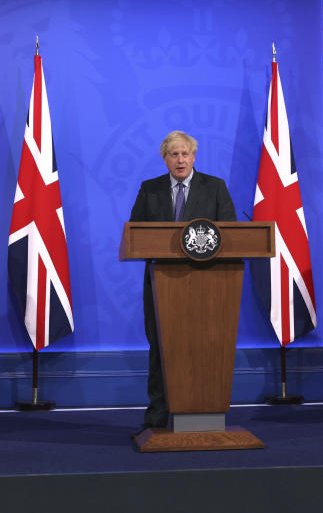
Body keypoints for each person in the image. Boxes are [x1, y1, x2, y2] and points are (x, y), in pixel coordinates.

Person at [129, 131, 236, 433]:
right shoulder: (149, 190)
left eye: (185, 154)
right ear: (164, 159)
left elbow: (230, 235)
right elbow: (136, 234)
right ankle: (158, 414)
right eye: (174, 154)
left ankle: (205, 410)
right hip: (161, 285)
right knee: (160, 348)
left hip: (208, 288)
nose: (180, 160)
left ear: (194, 157)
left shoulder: (215, 188)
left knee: (206, 346)